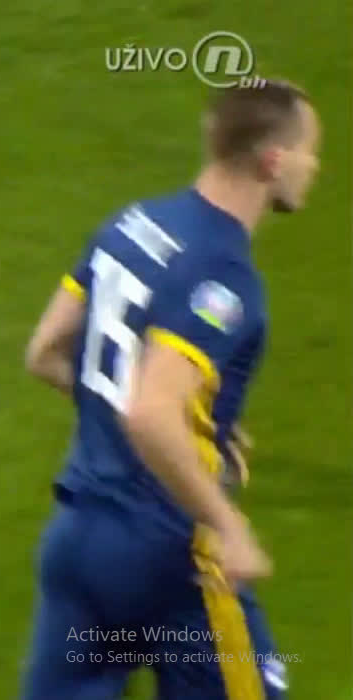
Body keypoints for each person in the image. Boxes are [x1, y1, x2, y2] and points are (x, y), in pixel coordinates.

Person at [19, 81, 320, 699]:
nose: (315, 166)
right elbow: (149, 413)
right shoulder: (223, 274)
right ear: (273, 161)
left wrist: (190, 422)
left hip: (78, 541)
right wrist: (228, 524)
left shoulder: (132, 224)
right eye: (309, 150)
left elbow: (46, 352)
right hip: (167, 557)